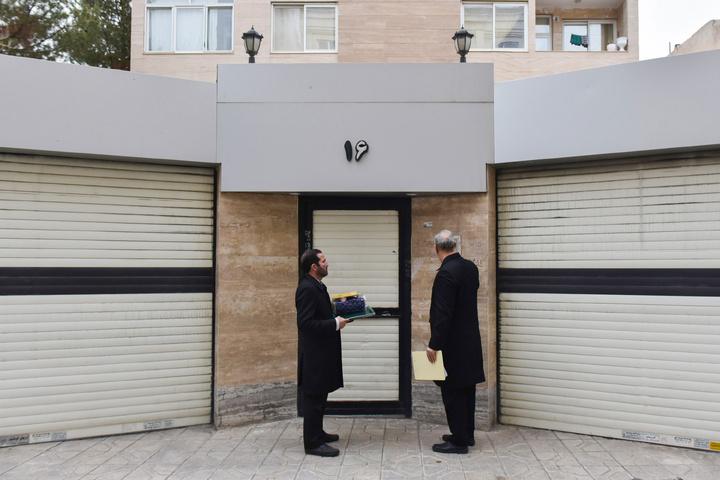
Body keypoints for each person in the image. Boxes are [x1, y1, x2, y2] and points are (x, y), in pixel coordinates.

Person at [426, 230, 485, 454]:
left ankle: (458, 442)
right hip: (470, 339)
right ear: (456, 244)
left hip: (453, 344)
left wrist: (434, 344)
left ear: (436, 248)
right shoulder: (470, 267)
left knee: (452, 392)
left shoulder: (446, 274)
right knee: (467, 390)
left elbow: (443, 314)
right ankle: (466, 435)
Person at [296, 249, 352, 457]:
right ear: (314, 267)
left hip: (322, 353)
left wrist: (343, 310)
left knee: (320, 398)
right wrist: (335, 323)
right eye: (323, 261)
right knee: (313, 400)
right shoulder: (307, 289)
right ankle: (312, 444)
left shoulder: (317, 286)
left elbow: (321, 313)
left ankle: (318, 433)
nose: (327, 264)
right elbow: (305, 323)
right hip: (314, 356)